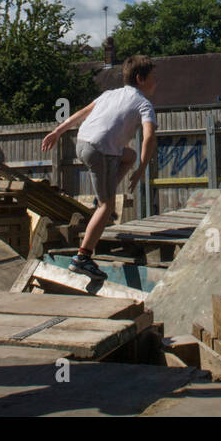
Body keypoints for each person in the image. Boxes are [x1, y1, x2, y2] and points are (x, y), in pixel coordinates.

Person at [40, 55, 158, 279]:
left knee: (128, 155)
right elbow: (149, 137)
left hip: (83, 144)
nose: (156, 82)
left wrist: (58, 131)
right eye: (153, 78)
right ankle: (83, 258)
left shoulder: (109, 94)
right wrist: (143, 167)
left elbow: (81, 113)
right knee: (106, 207)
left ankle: (103, 195)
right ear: (141, 79)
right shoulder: (144, 104)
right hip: (101, 151)